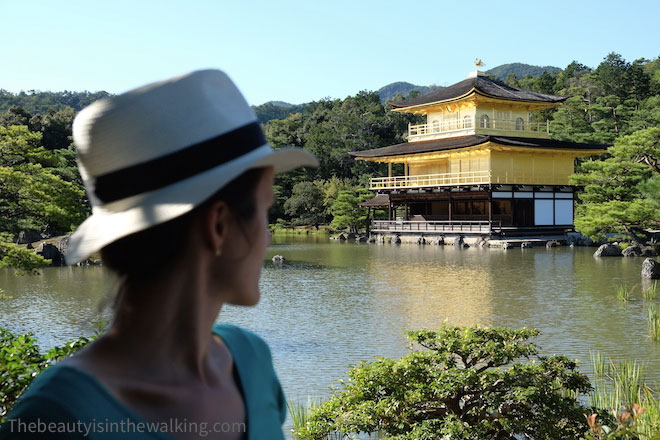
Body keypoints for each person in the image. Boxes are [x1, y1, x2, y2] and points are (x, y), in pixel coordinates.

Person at [0, 70, 318, 439]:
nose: (267, 237)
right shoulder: (59, 418)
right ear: (218, 226)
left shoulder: (252, 361)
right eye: (264, 212)